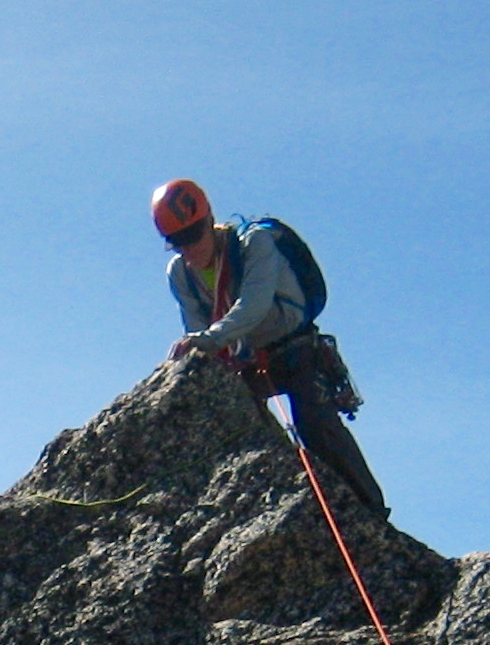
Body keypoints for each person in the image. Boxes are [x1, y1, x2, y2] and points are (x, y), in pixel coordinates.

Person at [153, 179, 390, 517]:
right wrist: (204, 345)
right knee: (233, 429)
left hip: (295, 349)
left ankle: (371, 512)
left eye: (193, 235)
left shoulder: (254, 243)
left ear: (209, 220)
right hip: (247, 361)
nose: (189, 249)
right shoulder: (180, 273)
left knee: (315, 425)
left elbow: (254, 305)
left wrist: (208, 340)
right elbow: (196, 328)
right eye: (178, 241)